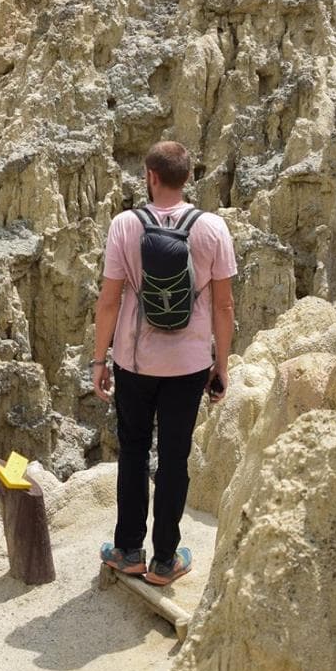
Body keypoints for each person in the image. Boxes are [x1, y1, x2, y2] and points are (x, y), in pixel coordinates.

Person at [92, 141, 234, 586]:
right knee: (174, 458)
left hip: (135, 363)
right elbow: (225, 306)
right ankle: (166, 559)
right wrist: (221, 365)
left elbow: (109, 300)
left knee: (133, 451)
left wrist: (101, 360)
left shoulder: (124, 225)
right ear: (188, 178)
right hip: (190, 365)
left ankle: (129, 550)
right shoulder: (212, 228)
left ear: (151, 177)